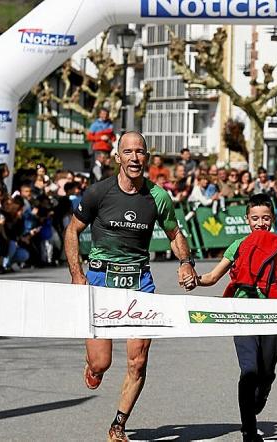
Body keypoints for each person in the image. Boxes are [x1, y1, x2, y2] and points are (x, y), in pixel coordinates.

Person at [64, 131, 198, 442]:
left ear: (147, 157)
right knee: (102, 362)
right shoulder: (98, 192)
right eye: (128, 152)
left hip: (139, 280)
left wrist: (185, 262)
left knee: (137, 360)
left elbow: (175, 233)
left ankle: (118, 425)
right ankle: (94, 367)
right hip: (100, 278)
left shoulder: (158, 196)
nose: (134, 157)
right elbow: (72, 231)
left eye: (140, 152)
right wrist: (77, 274)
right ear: (118, 158)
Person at [186, 193, 277, 442]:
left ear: (273, 219)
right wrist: (194, 279)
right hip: (242, 312)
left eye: (265, 218)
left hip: (273, 313)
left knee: (266, 372)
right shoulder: (237, 246)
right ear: (247, 220)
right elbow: (212, 277)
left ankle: (261, 394)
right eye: (255, 218)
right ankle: (249, 430)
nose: (260, 223)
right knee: (250, 370)